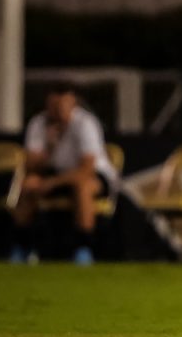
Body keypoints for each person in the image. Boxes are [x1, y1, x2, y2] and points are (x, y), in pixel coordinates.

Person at [12, 83, 119, 265]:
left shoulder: (86, 123)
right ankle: (22, 247)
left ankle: (83, 248)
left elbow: (86, 169)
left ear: (73, 103)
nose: (57, 112)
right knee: (29, 184)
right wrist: (50, 146)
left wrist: (52, 183)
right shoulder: (39, 123)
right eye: (53, 106)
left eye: (62, 106)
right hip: (56, 175)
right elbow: (30, 165)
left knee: (82, 186)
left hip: (93, 176)